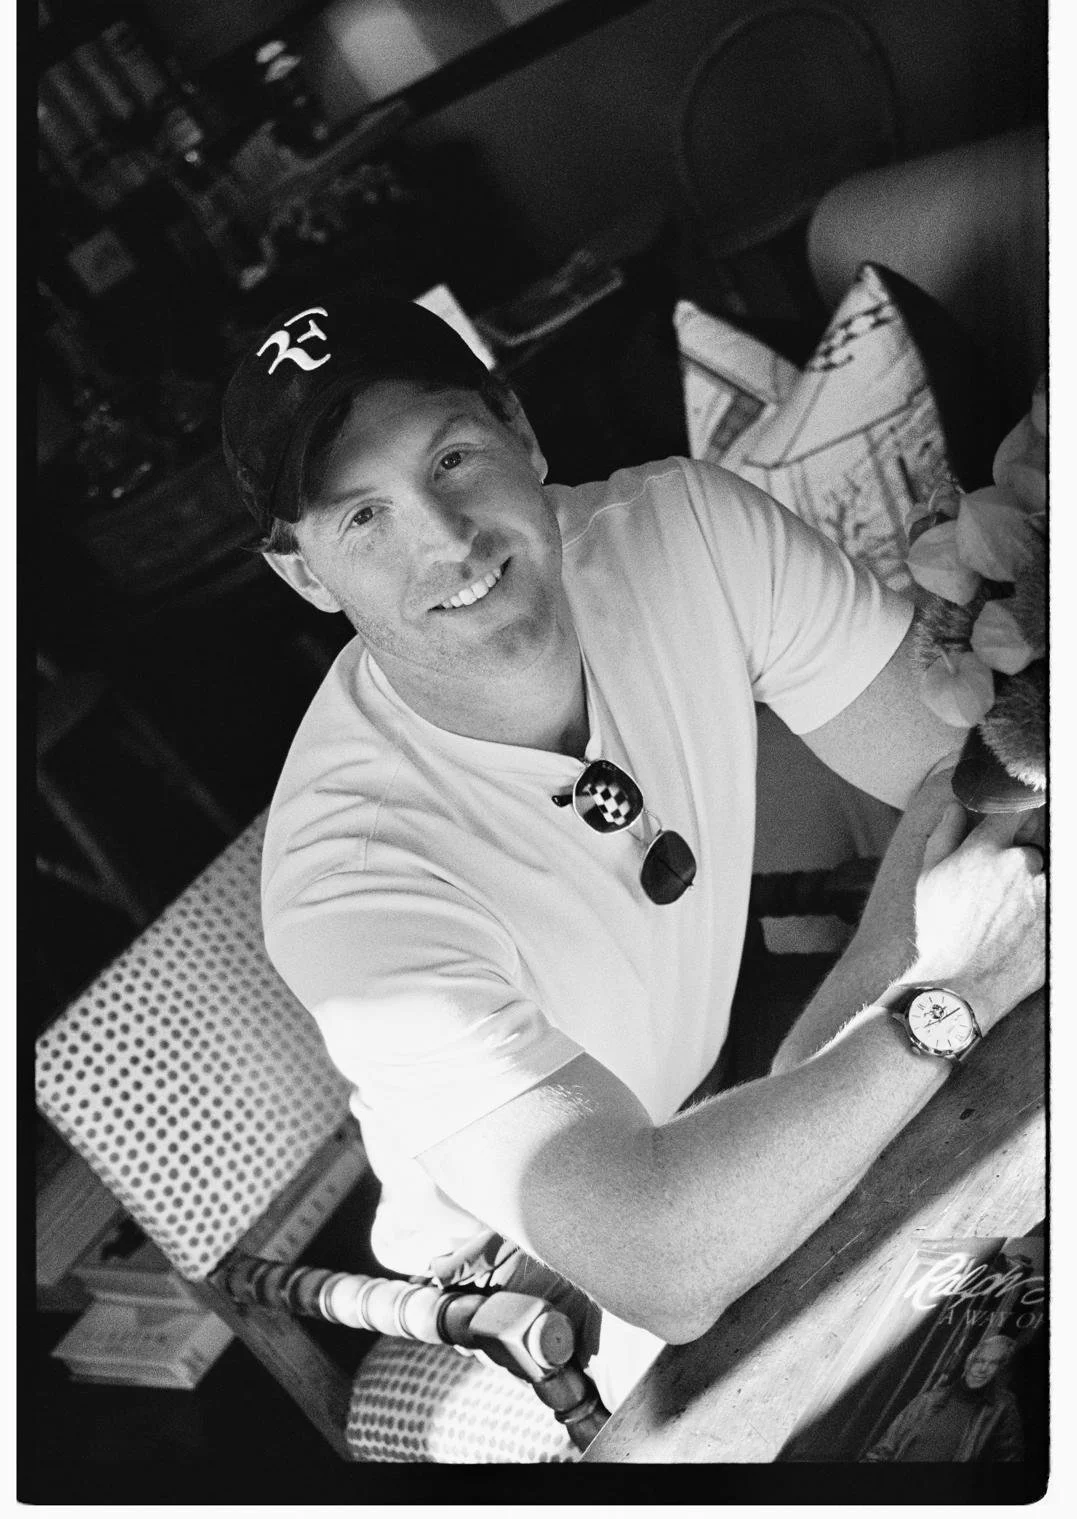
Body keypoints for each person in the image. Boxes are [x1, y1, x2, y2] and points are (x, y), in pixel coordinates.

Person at [220, 290, 1045, 1412]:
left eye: (454, 456)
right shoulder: (345, 881)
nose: (446, 541)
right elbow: (664, 1266)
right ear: (305, 577)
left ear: (522, 429)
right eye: (361, 519)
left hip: (751, 1077)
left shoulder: (685, 528)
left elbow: (975, 774)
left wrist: (852, 1012)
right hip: (542, 1276)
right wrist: (931, 998)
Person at [861, 1335, 1025, 1462]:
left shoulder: (1002, 1407)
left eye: (993, 1363)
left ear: (1001, 1370)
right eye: (979, 1361)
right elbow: (882, 1450)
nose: (982, 1369)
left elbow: (1010, 1461)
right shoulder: (927, 1400)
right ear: (968, 1362)